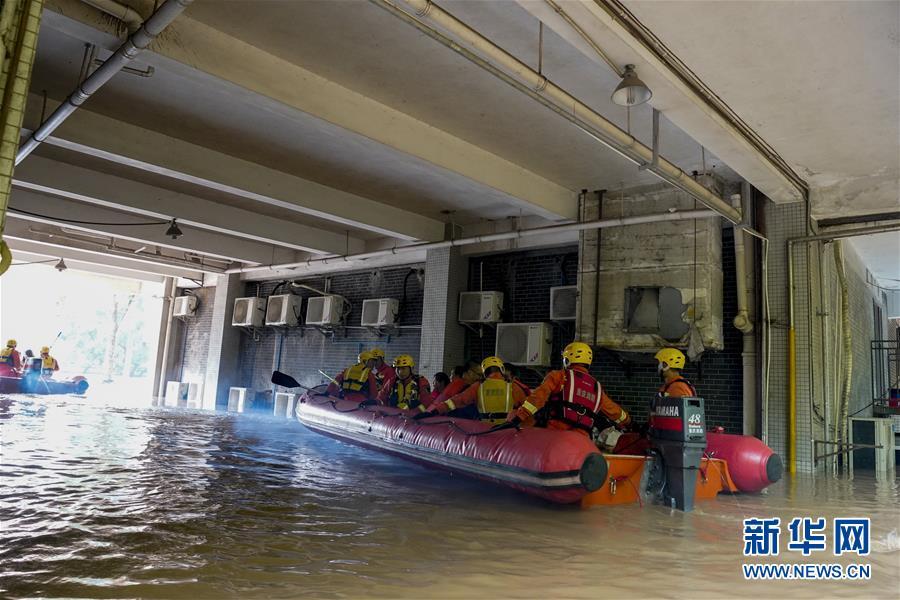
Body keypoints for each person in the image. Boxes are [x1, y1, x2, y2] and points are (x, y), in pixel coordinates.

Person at [510, 341, 630, 436]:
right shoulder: (596, 387)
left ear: (567, 359)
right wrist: (628, 422)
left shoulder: (559, 376)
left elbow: (537, 398)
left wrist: (519, 417)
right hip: (582, 439)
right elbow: (614, 411)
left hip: (556, 433)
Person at [424, 356, 527, 424]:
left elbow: (458, 401)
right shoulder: (513, 386)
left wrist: (436, 411)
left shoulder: (478, 386)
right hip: (505, 430)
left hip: (483, 429)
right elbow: (526, 409)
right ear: (502, 370)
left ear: (484, 372)